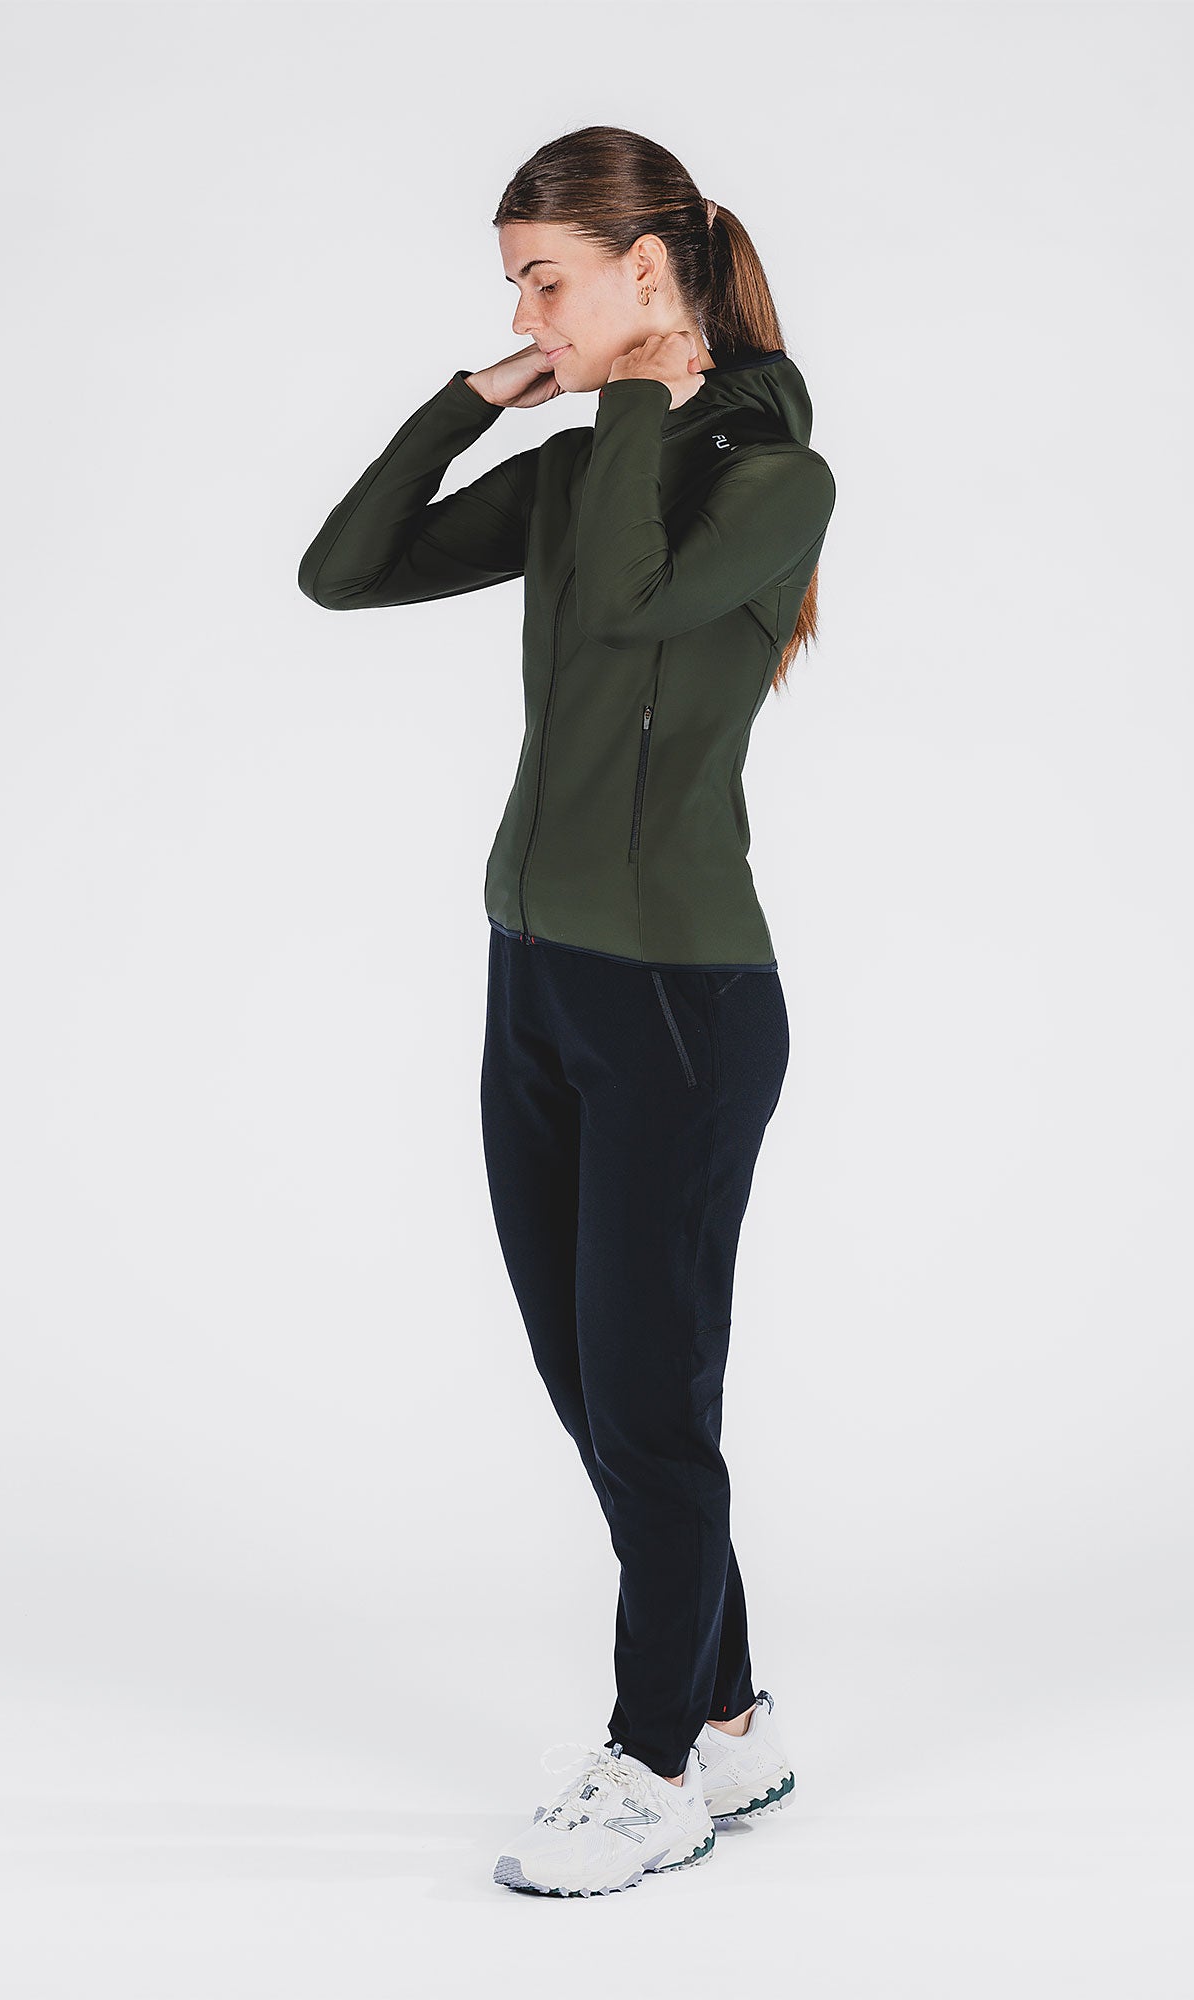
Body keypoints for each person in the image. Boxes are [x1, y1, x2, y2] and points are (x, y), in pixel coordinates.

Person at [297, 124, 836, 1899]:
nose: (525, 311)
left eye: (545, 280)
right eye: (513, 284)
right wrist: (474, 402)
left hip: (679, 1002)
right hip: (533, 974)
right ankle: (733, 1718)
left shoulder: (773, 479)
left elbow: (621, 612)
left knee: (649, 1404)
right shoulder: (580, 460)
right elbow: (345, 571)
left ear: (647, 271)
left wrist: (627, 412)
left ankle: (654, 1763)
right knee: (595, 1391)